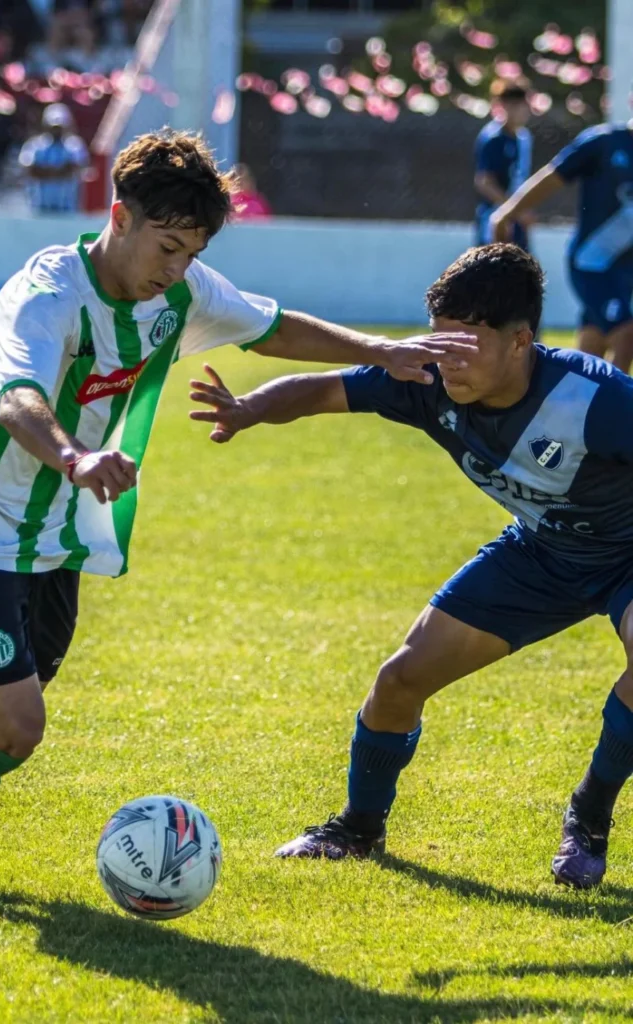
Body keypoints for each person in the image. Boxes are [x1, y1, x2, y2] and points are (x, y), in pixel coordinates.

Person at [0, 129, 474, 899]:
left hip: (53, 528)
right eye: (167, 247)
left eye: (191, 252)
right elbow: (19, 399)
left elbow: (269, 323)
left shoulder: (179, 292)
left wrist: (377, 349)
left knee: (2, 691)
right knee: (15, 724)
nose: (178, 270)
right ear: (118, 217)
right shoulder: (46, 294)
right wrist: (77, 459)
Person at [189, 243, 633, 890]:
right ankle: (357, 828)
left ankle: (588, 814)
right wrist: (249, 409)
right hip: (539, 556)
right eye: (439, 337)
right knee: (399, 681)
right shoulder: (423, 377)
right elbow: (321, 391)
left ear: (520, 341)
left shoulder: (597, 398)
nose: (445, 355)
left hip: (625, 558)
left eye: (467, 341)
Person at [492, 115, 633, 374]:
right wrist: (508, 212)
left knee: (593, 346)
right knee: (626, 333)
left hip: (626, 270)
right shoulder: (604, 142)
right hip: (593, 263)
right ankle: (617, 410)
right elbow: (552, 176)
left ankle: (571, 405)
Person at [473, 80, 533, 250]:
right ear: (506, 106)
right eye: (518, 105)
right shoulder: (493, 139)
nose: (524, 111)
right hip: (495, 217)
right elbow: (484, 181)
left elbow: (521, 177)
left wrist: (524, 208)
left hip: (517, 219)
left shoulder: (524, 138)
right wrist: (512, 209)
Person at [18, 104, 90, 215]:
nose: (56, 130)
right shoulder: (35, 145)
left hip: (67, 208)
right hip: (38, 207)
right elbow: (29, 169)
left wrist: (45, 171)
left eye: (59, 127)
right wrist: (58, 171)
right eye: (53, 127)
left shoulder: (75, 145)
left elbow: (74, 168)